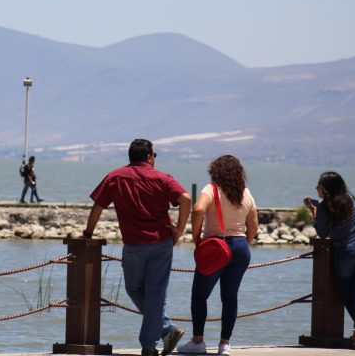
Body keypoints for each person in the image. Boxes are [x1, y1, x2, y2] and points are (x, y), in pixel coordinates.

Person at [84, 139, 191, 356]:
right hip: (162, 243)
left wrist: (88, 233)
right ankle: (166, 330)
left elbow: (98, 206)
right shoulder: (163, 178)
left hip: (133, 245)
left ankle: (150, 344)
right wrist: (179, 230)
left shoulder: (115, 176)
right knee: (156, 294)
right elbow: (186, 199)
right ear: (150, 156)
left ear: (130, 156)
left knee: (134, 290)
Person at [178, 155, 258, 356]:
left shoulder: (211, 189)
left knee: (199, 295)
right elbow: (253, 223)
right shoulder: (245, 193)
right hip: (240, 248)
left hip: (216, 247)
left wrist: (197, 241)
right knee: (230, 297)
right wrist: (245, 242)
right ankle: (224, 345)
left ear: (215, 172)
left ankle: (198, 342)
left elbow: (197, 210)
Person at [304, 171, 355, 350]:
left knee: (345, 294)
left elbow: (323, 233)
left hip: (347, 252)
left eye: (319, 186)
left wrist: (314, 213)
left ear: (326, 190)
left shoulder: (323, 209)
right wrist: (319, 206)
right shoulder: (350, 198)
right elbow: (339, 209)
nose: (316, 188)